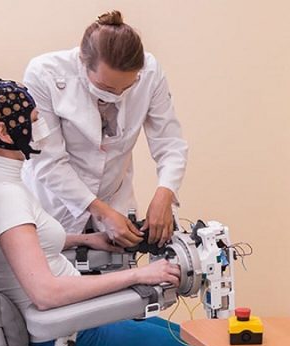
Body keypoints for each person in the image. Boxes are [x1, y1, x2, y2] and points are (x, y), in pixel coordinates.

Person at [0, 78, 239, 346]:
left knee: (195, 340)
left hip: (75, 322)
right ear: (4, 132)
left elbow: (21, 247)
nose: (42, 129)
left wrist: (87, 240)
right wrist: (139, 275)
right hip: (71, 335)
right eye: (34, 121)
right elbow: (45, 293)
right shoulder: (4, 196)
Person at [22, 10, 187, 249]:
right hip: (56, 206)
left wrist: (165, 193)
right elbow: (48, 161)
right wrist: (102, 212)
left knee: (121, 270)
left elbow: (170, 143)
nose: (116, 95)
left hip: (116, 200)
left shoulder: (150, 73)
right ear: (83, 61)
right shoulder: (44, 73)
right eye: (106, 87)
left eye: (127, 87)